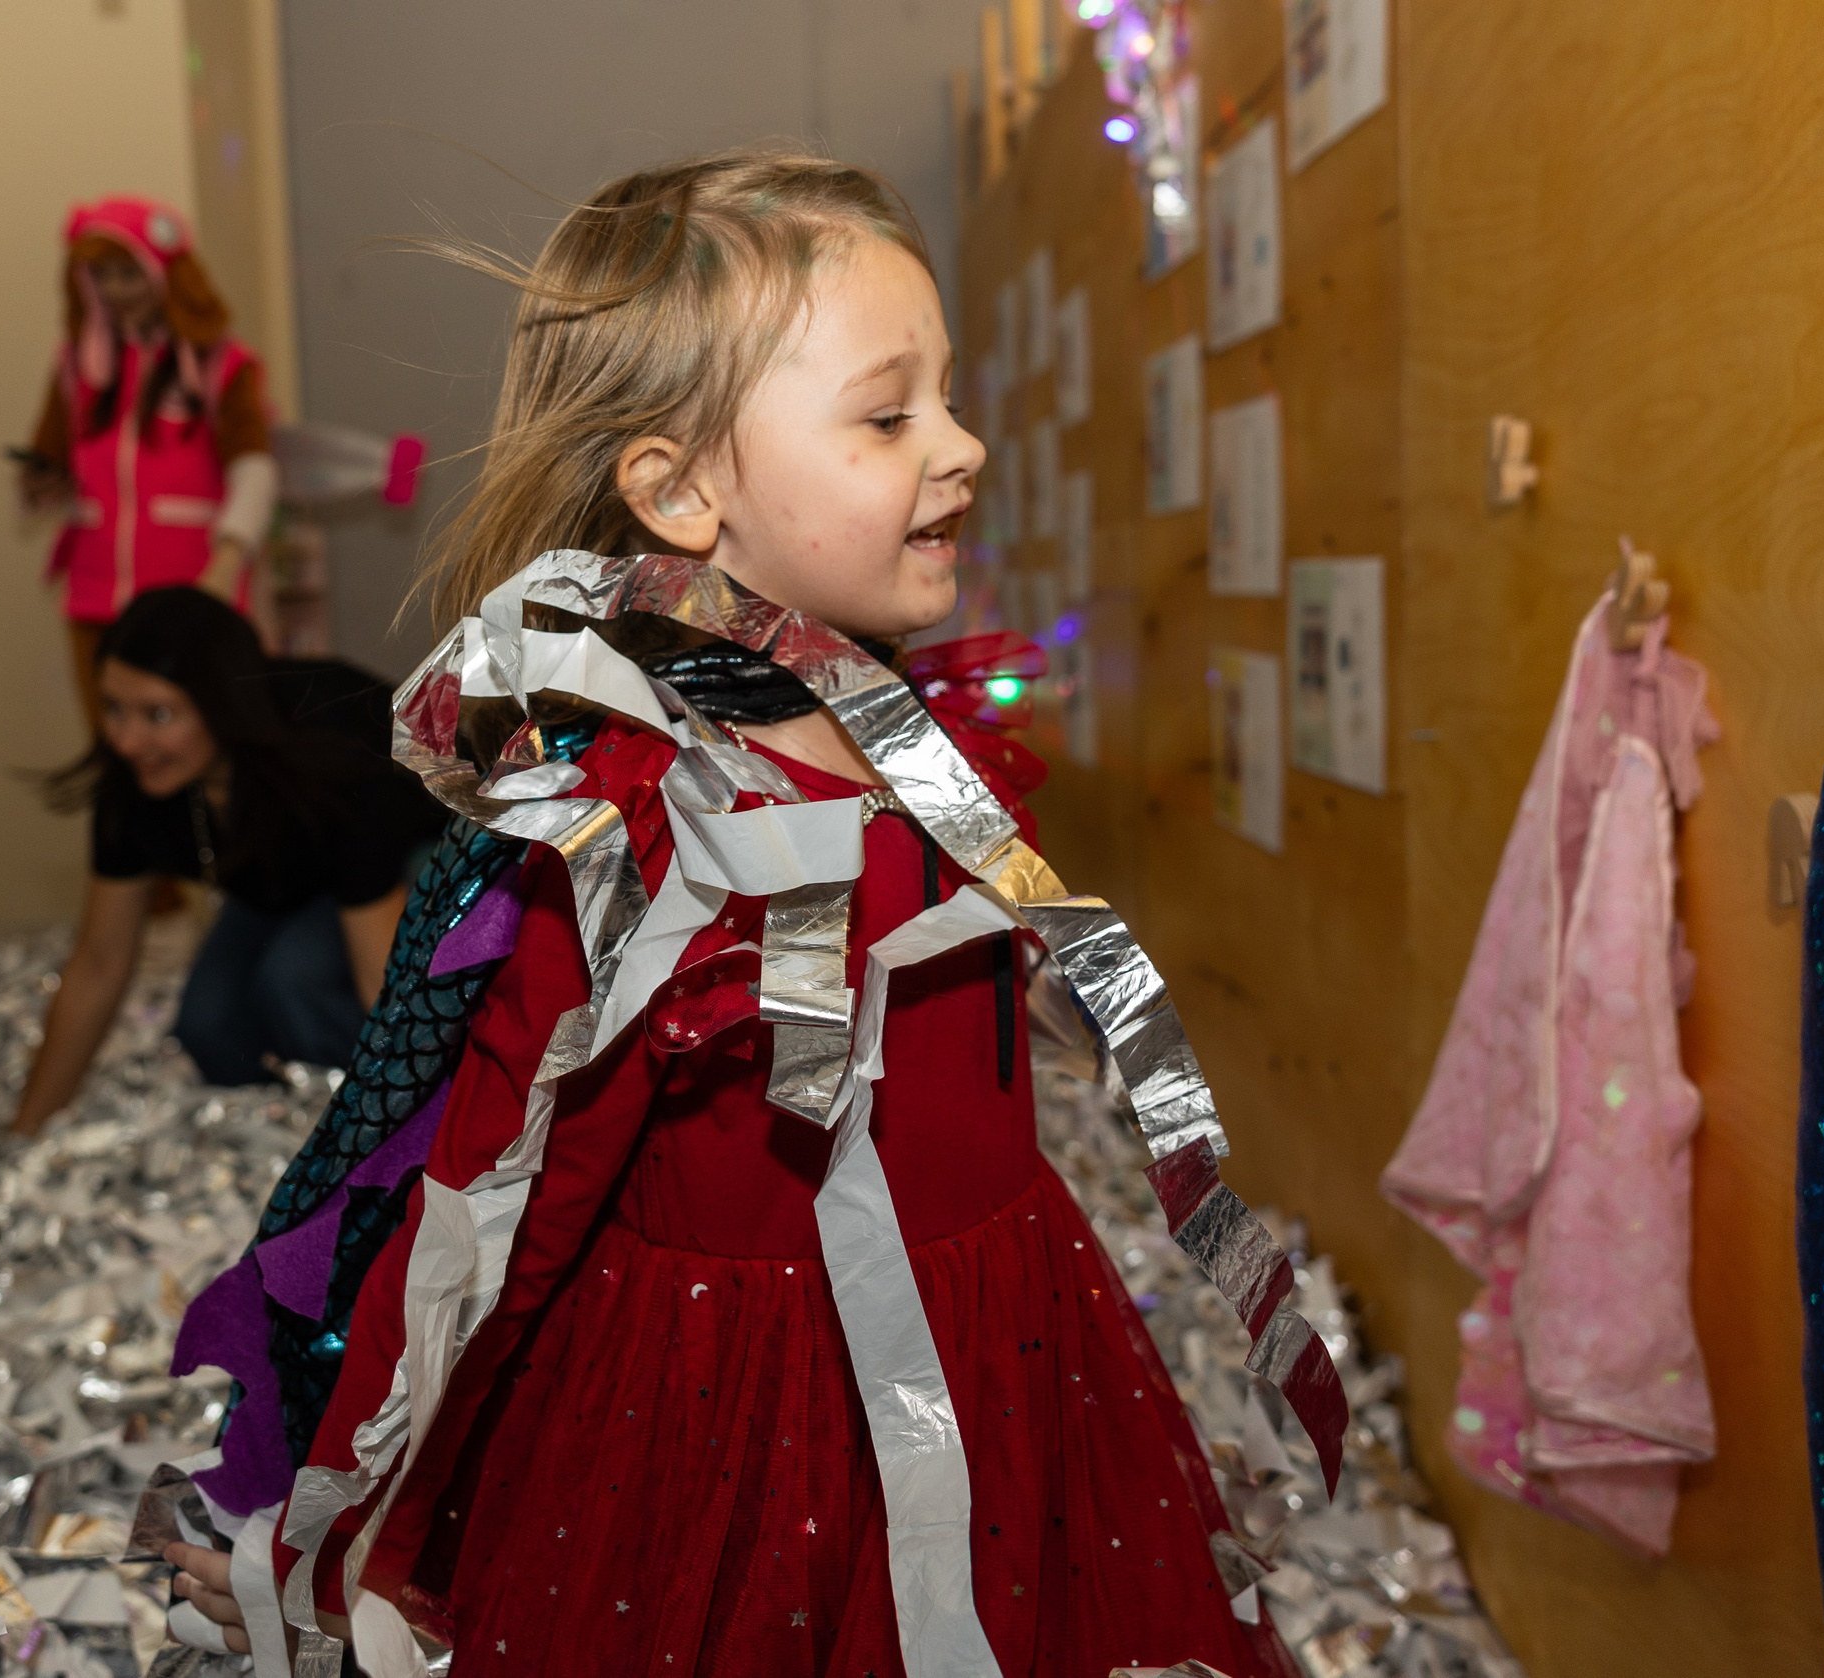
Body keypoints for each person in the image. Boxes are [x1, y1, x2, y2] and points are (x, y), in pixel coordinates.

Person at [163, 152, 1316, 1676]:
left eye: (947, 398)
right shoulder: (648, 836)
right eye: (889, 415)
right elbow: (502, 1205)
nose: (963, 446)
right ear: (679, 493)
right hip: (750, 1421)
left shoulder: (922, 739)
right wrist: (366, 1507)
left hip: (1004, 1339)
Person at [10, 587, 444, 1136]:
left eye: (158, 714)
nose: (127, 741)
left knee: (293, 982)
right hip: (286, 877)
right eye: (114, 709)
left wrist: (427, 1119)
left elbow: (382, 977)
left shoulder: (330, 758)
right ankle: (286, 1132)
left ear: (221, 706)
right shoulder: (137, 780)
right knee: (209, 1025)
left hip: (413, 856)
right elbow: (99, 962)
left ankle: (370, 1127)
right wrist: (26, 1130)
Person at [18, 195, 282, 730]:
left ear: (166, 274)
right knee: (114, 748)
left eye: (128, 274)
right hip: (94, 603)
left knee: (203, 740)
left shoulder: (220, 363)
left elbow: (254, 470)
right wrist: (42, 482)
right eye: (101, 276)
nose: (115, 290)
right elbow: (46, 457)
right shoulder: (77, 366)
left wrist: (227, 561)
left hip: (190, 599)